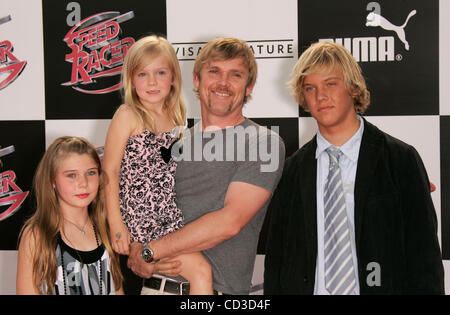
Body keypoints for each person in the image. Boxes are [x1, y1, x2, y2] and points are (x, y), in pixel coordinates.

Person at [264, 41, 445, 294]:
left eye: (331, 83)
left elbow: (425, 259)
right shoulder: (293, 170)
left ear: (352, 85)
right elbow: (276, 262)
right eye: (310, 88)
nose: (321, 96)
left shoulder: (400, 160)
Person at [126, 37, 286, 295]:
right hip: (156, 288)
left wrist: (150, 250)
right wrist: (136, 246)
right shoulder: (174, 142)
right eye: (214, 71)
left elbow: (229, 222)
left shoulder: (263, 143)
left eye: (235, 75)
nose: (223, 82)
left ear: (249, 87)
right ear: (197, 80)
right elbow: (144, 200)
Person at [103, 35, 213, 295]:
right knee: (200, 272)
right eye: (142, 74)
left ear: (173, 77)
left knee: (198, 271)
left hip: (171, 219)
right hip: (141, 224)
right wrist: (116, 225)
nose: (152, 82)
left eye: (160, 72)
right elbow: (110, 171)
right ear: (131, 79)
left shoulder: (177, 116)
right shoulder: (127, 115)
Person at [16, 136, 123, 295]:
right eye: (71, 175)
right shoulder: (37, 235)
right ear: (53, 179)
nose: (83, 183)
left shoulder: (106, 230)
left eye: (91, 173)